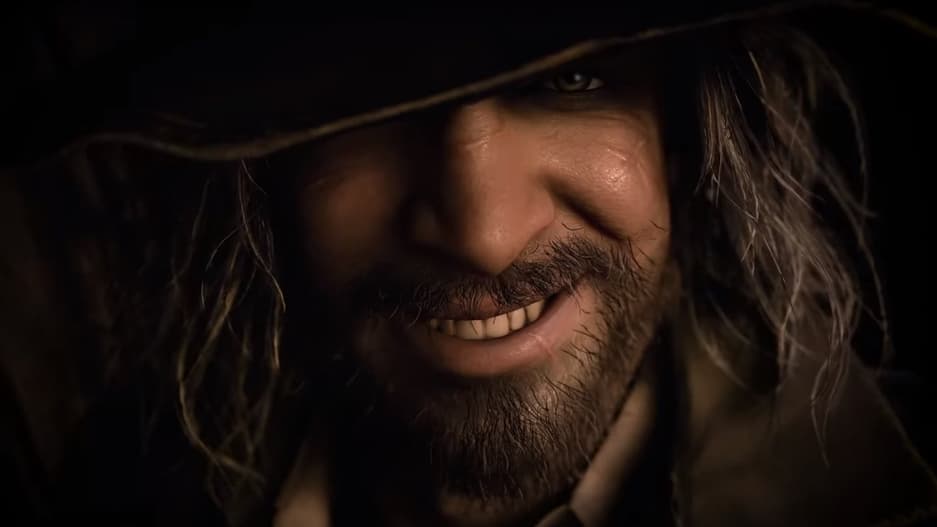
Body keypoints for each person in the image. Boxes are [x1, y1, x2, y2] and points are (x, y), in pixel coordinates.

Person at [3, 3, 937, 526]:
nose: (484, 233)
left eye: (570, 80)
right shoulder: (117, 504)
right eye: (361, 103)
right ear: (264, 170)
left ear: (687, 136)